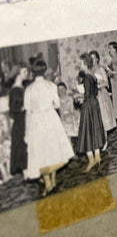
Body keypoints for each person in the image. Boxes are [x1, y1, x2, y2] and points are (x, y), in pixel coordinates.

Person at [24, 58, 74, 195]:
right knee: (53, 150)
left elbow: (28, 112)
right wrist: (48, 106)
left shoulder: (29, 89)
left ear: (33, 72)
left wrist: (27, 133)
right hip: (51, 119)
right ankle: (52, 181)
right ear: (45, 70)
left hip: (37, 121)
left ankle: (48, 183)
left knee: (42, 152)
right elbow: (57, 105)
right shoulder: (51, 86)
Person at [77, 54, 106, 173]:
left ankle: (91, 160)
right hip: (95, 104)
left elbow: (86, 95)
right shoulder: (92, 74)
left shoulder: (87, 76)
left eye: (80, 63)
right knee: (94, 130)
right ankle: (97, 158)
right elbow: (94, 92)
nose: (79, 65)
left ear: (84, 63)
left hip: (88, 105)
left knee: (87, 132)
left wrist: (78, 98)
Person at [89, 50, 116, 136]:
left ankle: (105, 140)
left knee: (103, 117)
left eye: (93, 58)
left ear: (97, 59)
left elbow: (106, 83)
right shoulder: (90, 70)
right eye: (90, 58)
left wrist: (97, 86)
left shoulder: (101, 69)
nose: (92, 60)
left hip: (101, 95)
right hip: (93, 95)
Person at [9, 64, 28, 177]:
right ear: (18, 74)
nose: (26, 74)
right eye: (24, 72)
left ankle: (29, 173)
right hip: (20, 123)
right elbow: (13, 109)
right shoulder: (15, 90)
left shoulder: (22, 88)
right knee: (22, 147)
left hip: (25, 119)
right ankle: (26, 174)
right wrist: (23, 107)